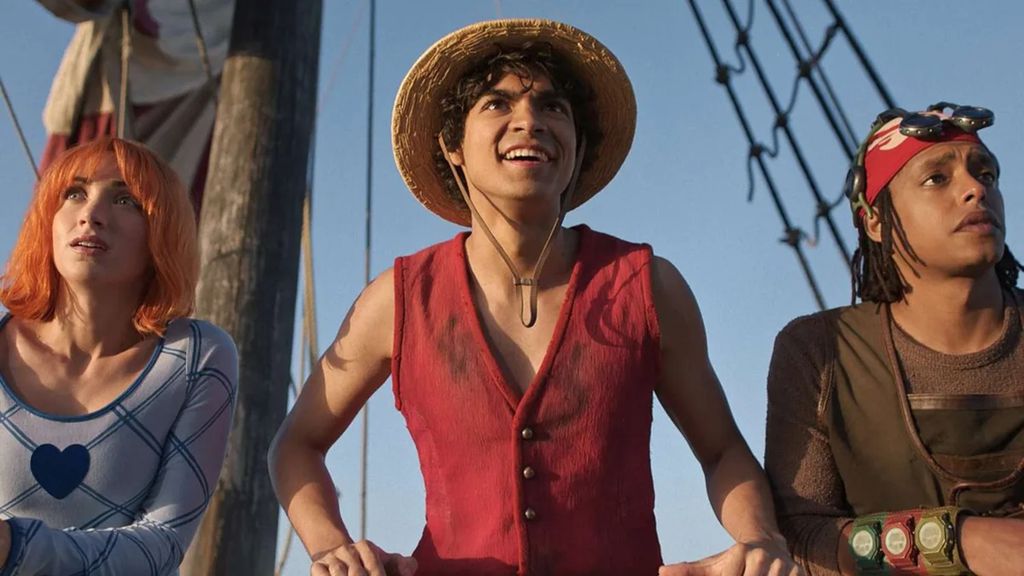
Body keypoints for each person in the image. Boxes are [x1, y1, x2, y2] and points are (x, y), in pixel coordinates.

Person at [270, 19, 799, 576]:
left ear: (577, 146)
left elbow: (722, 451)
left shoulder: (648, 287)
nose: (529, 121)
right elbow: (296, 445)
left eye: (552, 107)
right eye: (496, 104)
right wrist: (331, 549)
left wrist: (762, 540)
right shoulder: (399, 300)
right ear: (453, 146)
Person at [765, 104, 1024, 575]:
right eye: (936, 179)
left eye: (986, 173)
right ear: (875, 221)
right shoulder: (822, 351)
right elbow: (799, 534)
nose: (975, 189)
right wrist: (963, 540)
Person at [0, 137, 238, 574]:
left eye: (126, 200)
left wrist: (15, 547)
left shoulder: (195, 358)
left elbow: (162, 545)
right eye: (74, 193)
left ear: (162, 232)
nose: (91, 214)